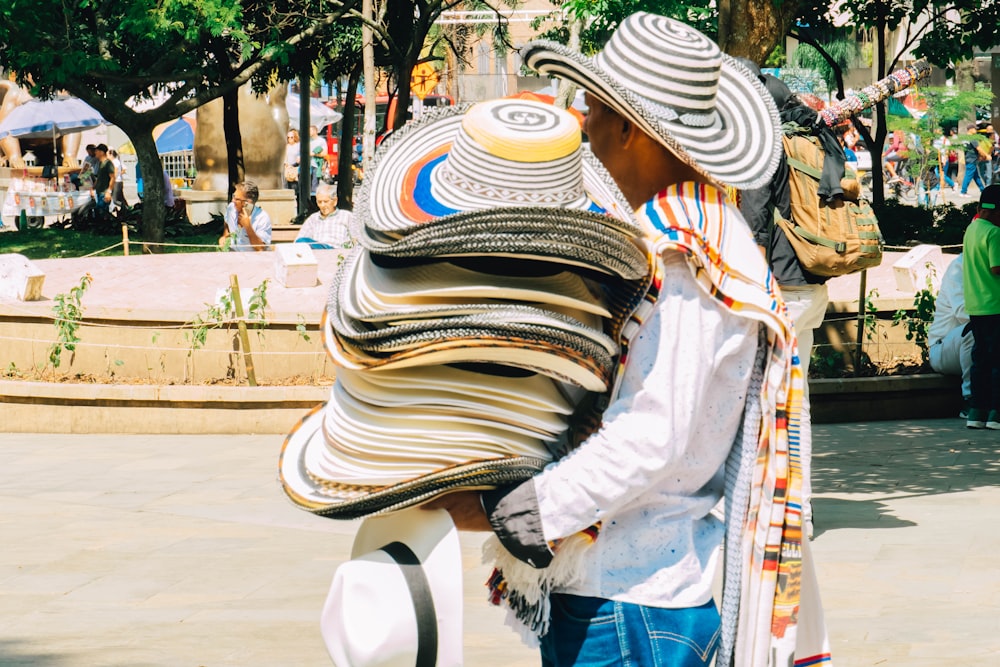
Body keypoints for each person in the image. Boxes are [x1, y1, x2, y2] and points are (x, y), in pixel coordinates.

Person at [429, 13, 828, 667]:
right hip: (642, 594)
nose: (584, 127)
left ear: (630, 127)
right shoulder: (703, 238)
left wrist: (516, 510)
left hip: (629, 603)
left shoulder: (685, 257)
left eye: (591, 108)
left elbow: (650, 435)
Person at [737, 64, 831, 539]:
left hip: (777, 289)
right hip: (811, 286)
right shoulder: (812, 136)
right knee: (797, 400)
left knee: (771, 404)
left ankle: (787, 511)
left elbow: (754, 226)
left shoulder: (763, 145)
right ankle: (798, 509)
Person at [962, 185, 1000, 429]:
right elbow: (996, 268)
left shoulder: (971, 230)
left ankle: (977, 411)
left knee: (981, 360)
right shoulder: (995, 234)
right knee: (998, 361)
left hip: (975, 306)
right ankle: (997, 412)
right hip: (996, 306)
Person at [928, 254, 973, 417]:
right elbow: (963, 313)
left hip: (982, 345)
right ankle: (972, 400)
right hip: (943, 349)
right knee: (976, 329)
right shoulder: (960, 267)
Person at [294, 182, 353, 250]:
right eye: (319, 202)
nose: (322, 205)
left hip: (338, 252)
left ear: (335, 201)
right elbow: (298, 241)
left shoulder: (346, 216)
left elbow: (356, 239)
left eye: (325, 201)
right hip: (317, 252)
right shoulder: (313, 219)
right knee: (301, 241)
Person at [219, 181, 272, 252]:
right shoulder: (231, 208)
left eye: (237, 199)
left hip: (253, 259)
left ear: (247, 203)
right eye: (233, 196)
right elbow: (227, 227)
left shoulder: (262, 218)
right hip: (233, 256)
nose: (232, 200)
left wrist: (248, 226)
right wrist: (224, 237)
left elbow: (260, 248)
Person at [961, 124, 987, 196]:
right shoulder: (972, 138)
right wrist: (986, 155)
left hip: (968, 158)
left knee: (976, 176)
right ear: (970, 129)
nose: (976, 130)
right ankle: (963, 191)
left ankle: (982, 190)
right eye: (975, 129)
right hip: (972, 159)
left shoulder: (964, 138)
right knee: (968, 175)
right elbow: (978, 148)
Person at [92, 143, 116, 217]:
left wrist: (109, 191)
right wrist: (93, 188)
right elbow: (99, 177)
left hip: (104, 192)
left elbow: (113, 177)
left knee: (102, 211)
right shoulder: (100, 163)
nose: (95, 153)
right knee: (99, 211)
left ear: (102, 152)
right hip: (99, 191)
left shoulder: (108, 163)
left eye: (97, 151)